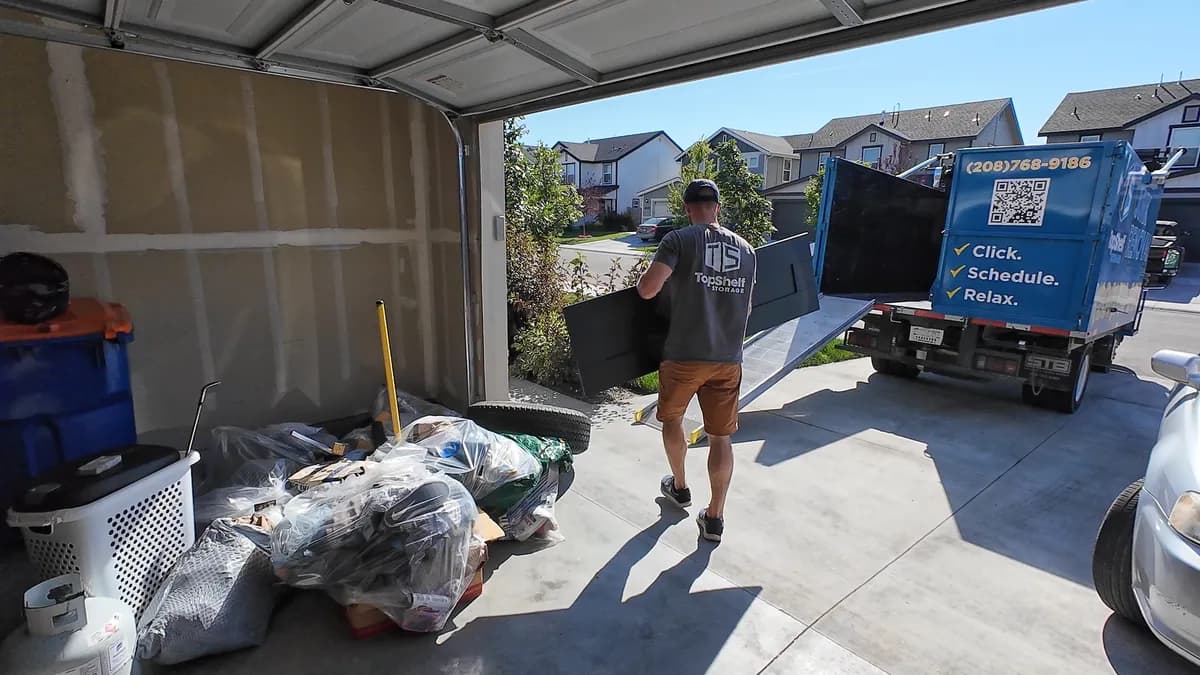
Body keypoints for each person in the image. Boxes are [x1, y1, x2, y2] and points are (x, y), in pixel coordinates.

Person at [636, 179, 757, 542]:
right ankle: (715, 518)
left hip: (684, 355)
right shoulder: (747, 250)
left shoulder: (678, 240)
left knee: (671, 418)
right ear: (717, 208)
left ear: (688, 208)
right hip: (727, 358)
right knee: (721, 437)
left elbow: (647, 289)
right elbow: (747, 307)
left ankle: (680, 486)